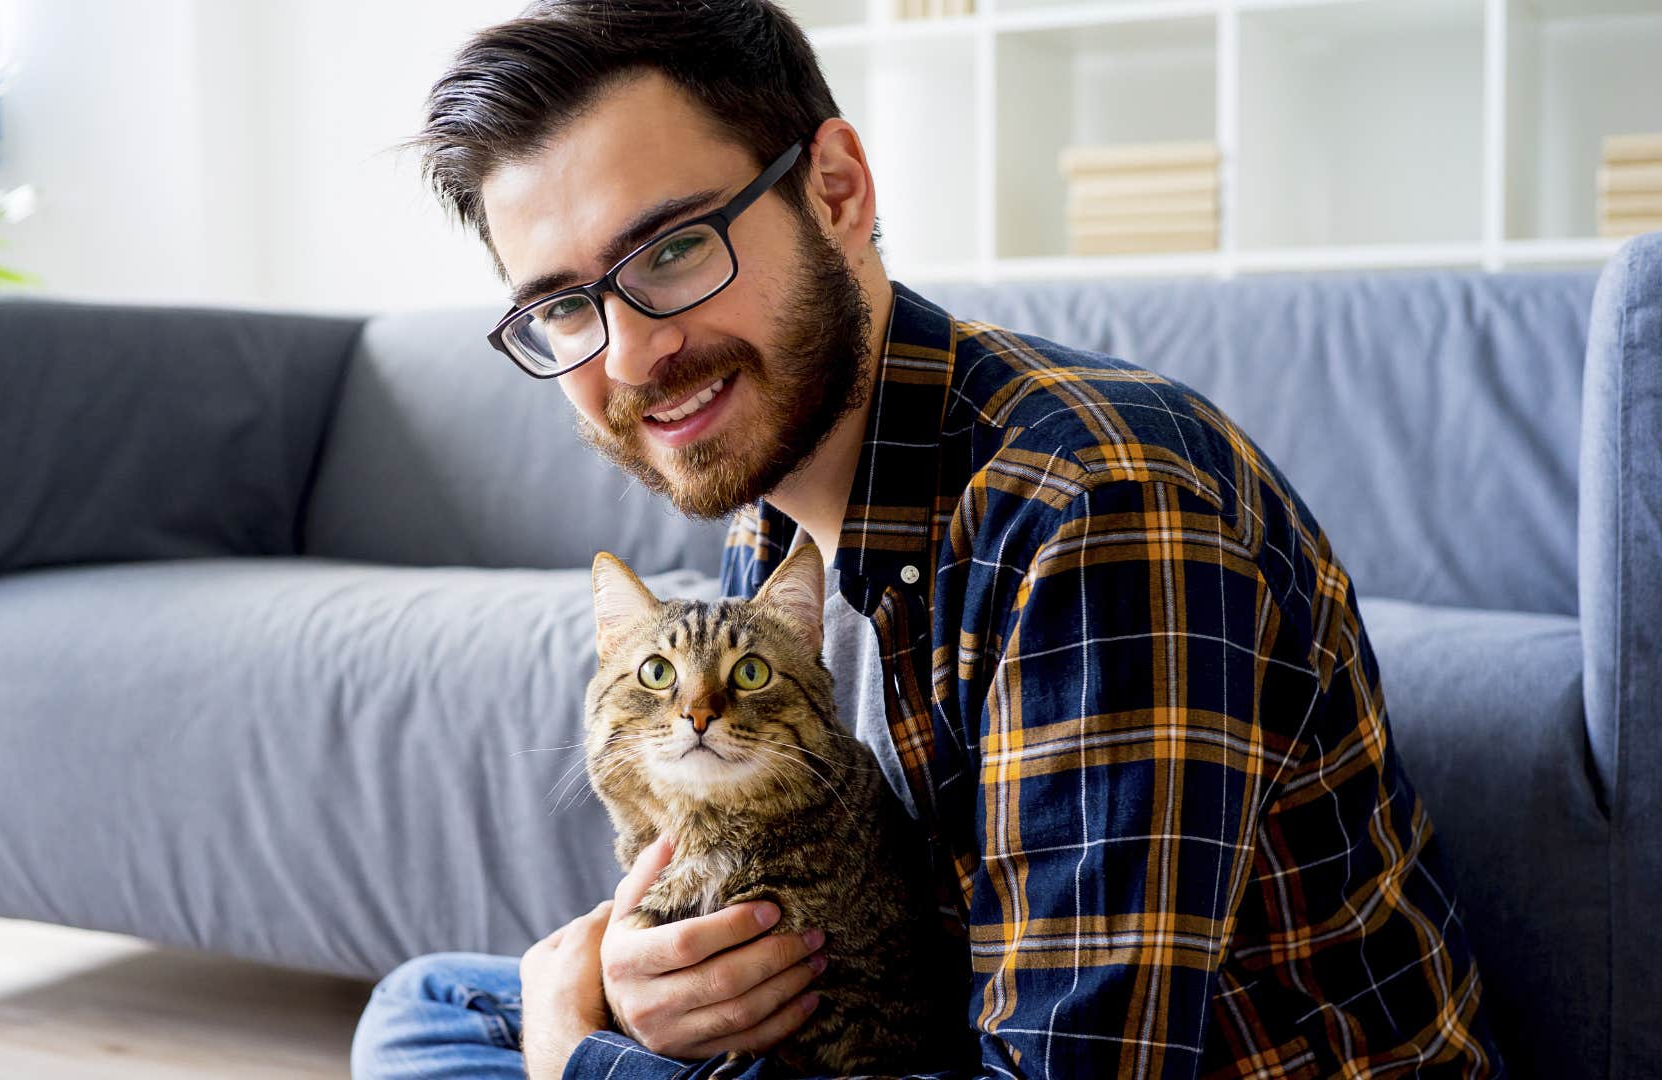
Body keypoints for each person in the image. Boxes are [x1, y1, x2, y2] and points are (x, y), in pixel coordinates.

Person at [351, 2, 1507, 1077]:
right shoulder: (769, 493)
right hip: (940, 1016)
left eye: (672, 251)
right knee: (426, 1004)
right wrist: (649, 990)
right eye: (562, 306)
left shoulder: (1095, 514)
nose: (633, 356)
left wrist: (586, 1058)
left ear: (839, 190)